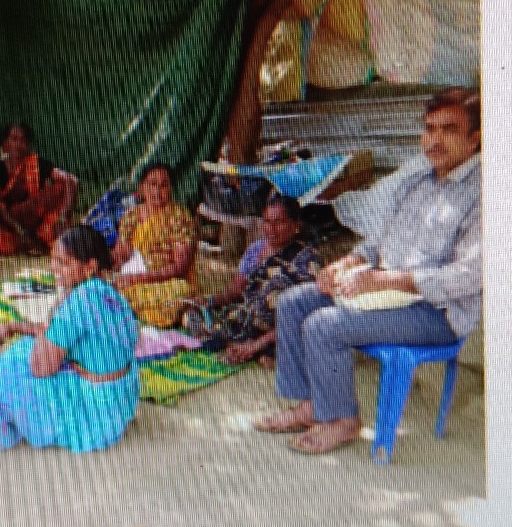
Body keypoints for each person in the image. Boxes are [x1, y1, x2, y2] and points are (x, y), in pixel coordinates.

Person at [255, 87, 482, 456]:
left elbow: (470, 275)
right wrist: (346, 263)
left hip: (436, 312)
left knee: (325, 324)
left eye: (449, 129)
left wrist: (386, 280)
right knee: (294, 302)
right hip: (388, 293)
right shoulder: (418, 179)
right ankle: (311, 405)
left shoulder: (487, 194)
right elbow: (380, 242)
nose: (435, 140)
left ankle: (342, 420)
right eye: (430, 128)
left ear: (474, 139)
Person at [0, 225, 139, 452]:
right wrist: (13, 327)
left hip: (95, 416)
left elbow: (41, 367)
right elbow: (55, 331)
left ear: (90, 266)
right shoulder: (106, 291)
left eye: (63, 263)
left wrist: (55, 310)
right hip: (119, 403)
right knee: (29, 347)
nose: (54, 268)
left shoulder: (80, 301)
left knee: (8, 366)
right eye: (54, 260)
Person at [183, 193, 322, 368]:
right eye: (267, 221)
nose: (271, 229)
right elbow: (235, 291)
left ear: (295, 225)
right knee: (193, 315)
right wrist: (210, 300)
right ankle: (247, 346)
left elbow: (302, 314)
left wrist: (257, 344)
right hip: (247, 317)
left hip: (283, 326)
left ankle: (255, 347)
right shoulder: (255, 249)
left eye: (279, 222)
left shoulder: (307, 259)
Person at [111, 163, 196, 328]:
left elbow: (180, 267)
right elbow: (121, 254)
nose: (157, 191)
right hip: (132, 280)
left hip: (166, 283)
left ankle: (122, 305)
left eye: (163, 185)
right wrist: (109, 268)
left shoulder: (179, 217)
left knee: (181, 291)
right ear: (142, 187)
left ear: (170, 189)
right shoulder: (131, 216)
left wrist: (138, 278)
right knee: (105, 283)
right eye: (152, 184)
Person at [0, 122, 78, 255]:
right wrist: (19, 230)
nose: (18, 145)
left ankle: (40, 239)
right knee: (5, 243)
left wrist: (63, 217)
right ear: (6, 144)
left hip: (37, 220)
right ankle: (30, 241)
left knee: (60, 188)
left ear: (29, 145)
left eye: (23, 140)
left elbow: (71, 180)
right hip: (11, 223)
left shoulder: (38, 163)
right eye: (14, 139)